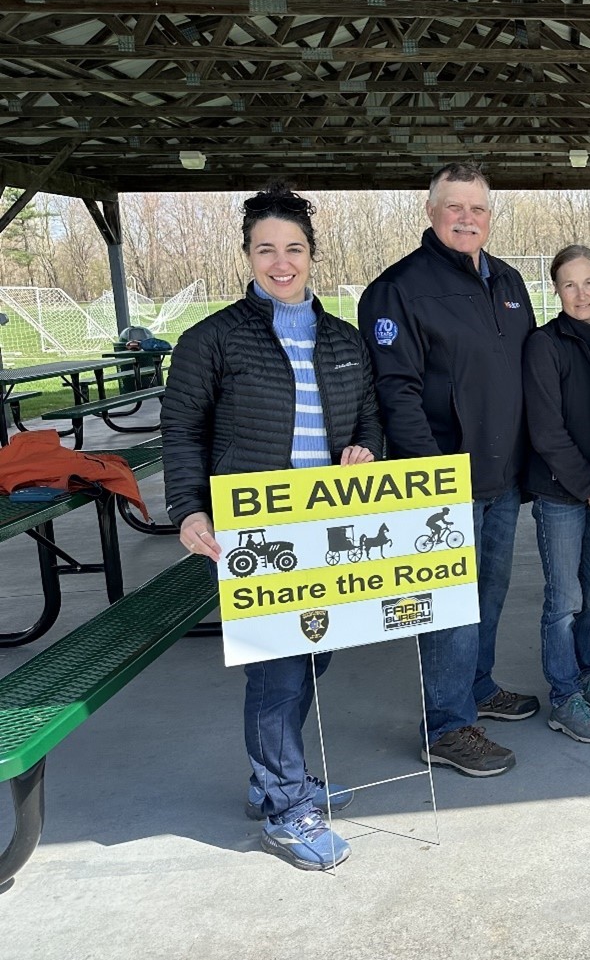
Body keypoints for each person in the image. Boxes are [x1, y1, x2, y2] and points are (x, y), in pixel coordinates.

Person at [162, 183, 382, 871]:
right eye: (266, 250)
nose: (281, 262)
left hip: (325, 526)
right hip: (254, 530)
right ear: (248, 256)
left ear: (312, 254)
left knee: (314, 654)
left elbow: (369, 416)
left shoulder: (344, 339)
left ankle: (273, 780)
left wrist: (364, 449)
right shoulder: (212, 339)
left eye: (293, 248)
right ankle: (287, 806)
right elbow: (181, 429)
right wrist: (188, 508)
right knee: (278, 666)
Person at [359, 162, 537, 779]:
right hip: (444, 480)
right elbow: (396, 390)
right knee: (449, 605)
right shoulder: (399, 288)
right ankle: (447, 725)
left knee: (489, 592)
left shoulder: (508, 280)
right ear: (431, 211)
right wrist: (432, 477)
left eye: (477, 208)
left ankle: (477, 686)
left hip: (502, 475)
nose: (467, 218)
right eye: (454, 207)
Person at [524, 245, 590, 744]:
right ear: (556, 290)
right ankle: (564, 697)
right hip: (562, 495)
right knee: (564, 601)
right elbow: (546, 431)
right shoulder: (544, 345)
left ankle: (584, 679)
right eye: (569, 284)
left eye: (589, 282)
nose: (580, 294)